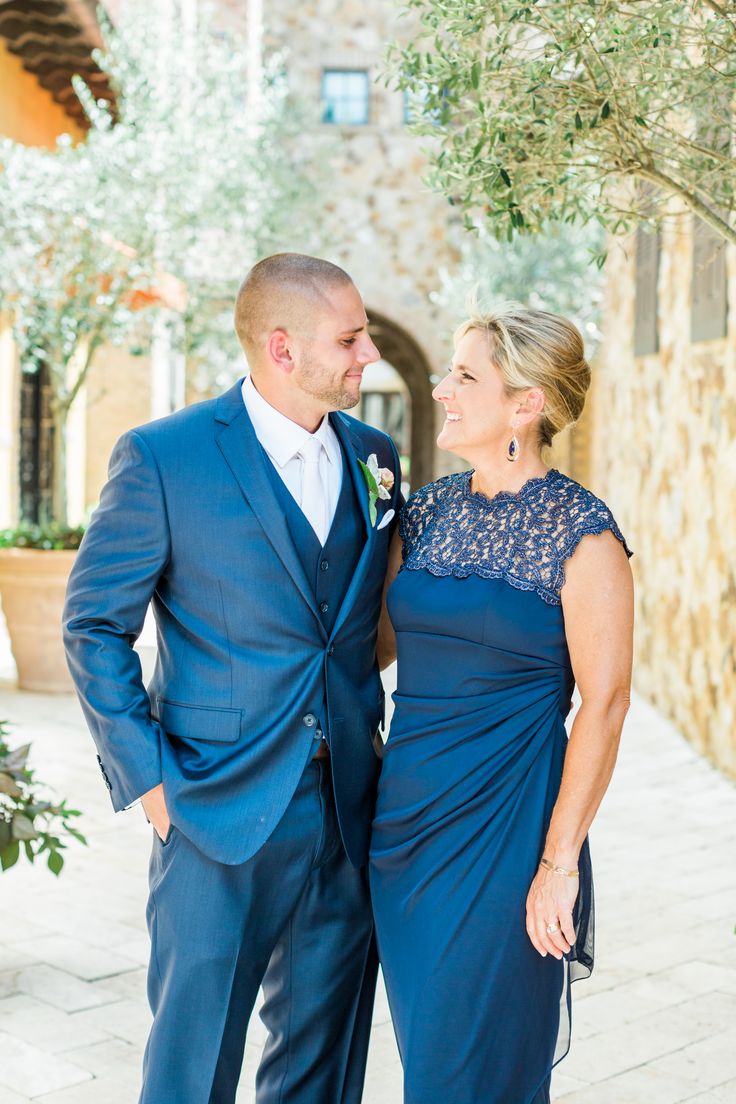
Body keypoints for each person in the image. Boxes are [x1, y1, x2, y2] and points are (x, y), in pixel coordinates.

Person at [63, 253, 402, 1104]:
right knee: (193, 1060)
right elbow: (94, 625)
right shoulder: (164, 456)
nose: (368, 355)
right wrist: (148, 780)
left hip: (349, 808)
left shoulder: (375, 454)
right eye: (351, 338)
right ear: (282, 349)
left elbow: (359, 625)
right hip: (212, 805)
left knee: (324, 1063)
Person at [370, 303, 634, 1104]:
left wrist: (558, 865)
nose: (442, 388)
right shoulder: (427, 513)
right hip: (405, 834)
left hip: (506, 835)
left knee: (467, 1073)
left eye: (464, 375)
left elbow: (607, 703)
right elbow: (374, 647)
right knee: (433, 1061)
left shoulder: (585, 536)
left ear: (527, 404)